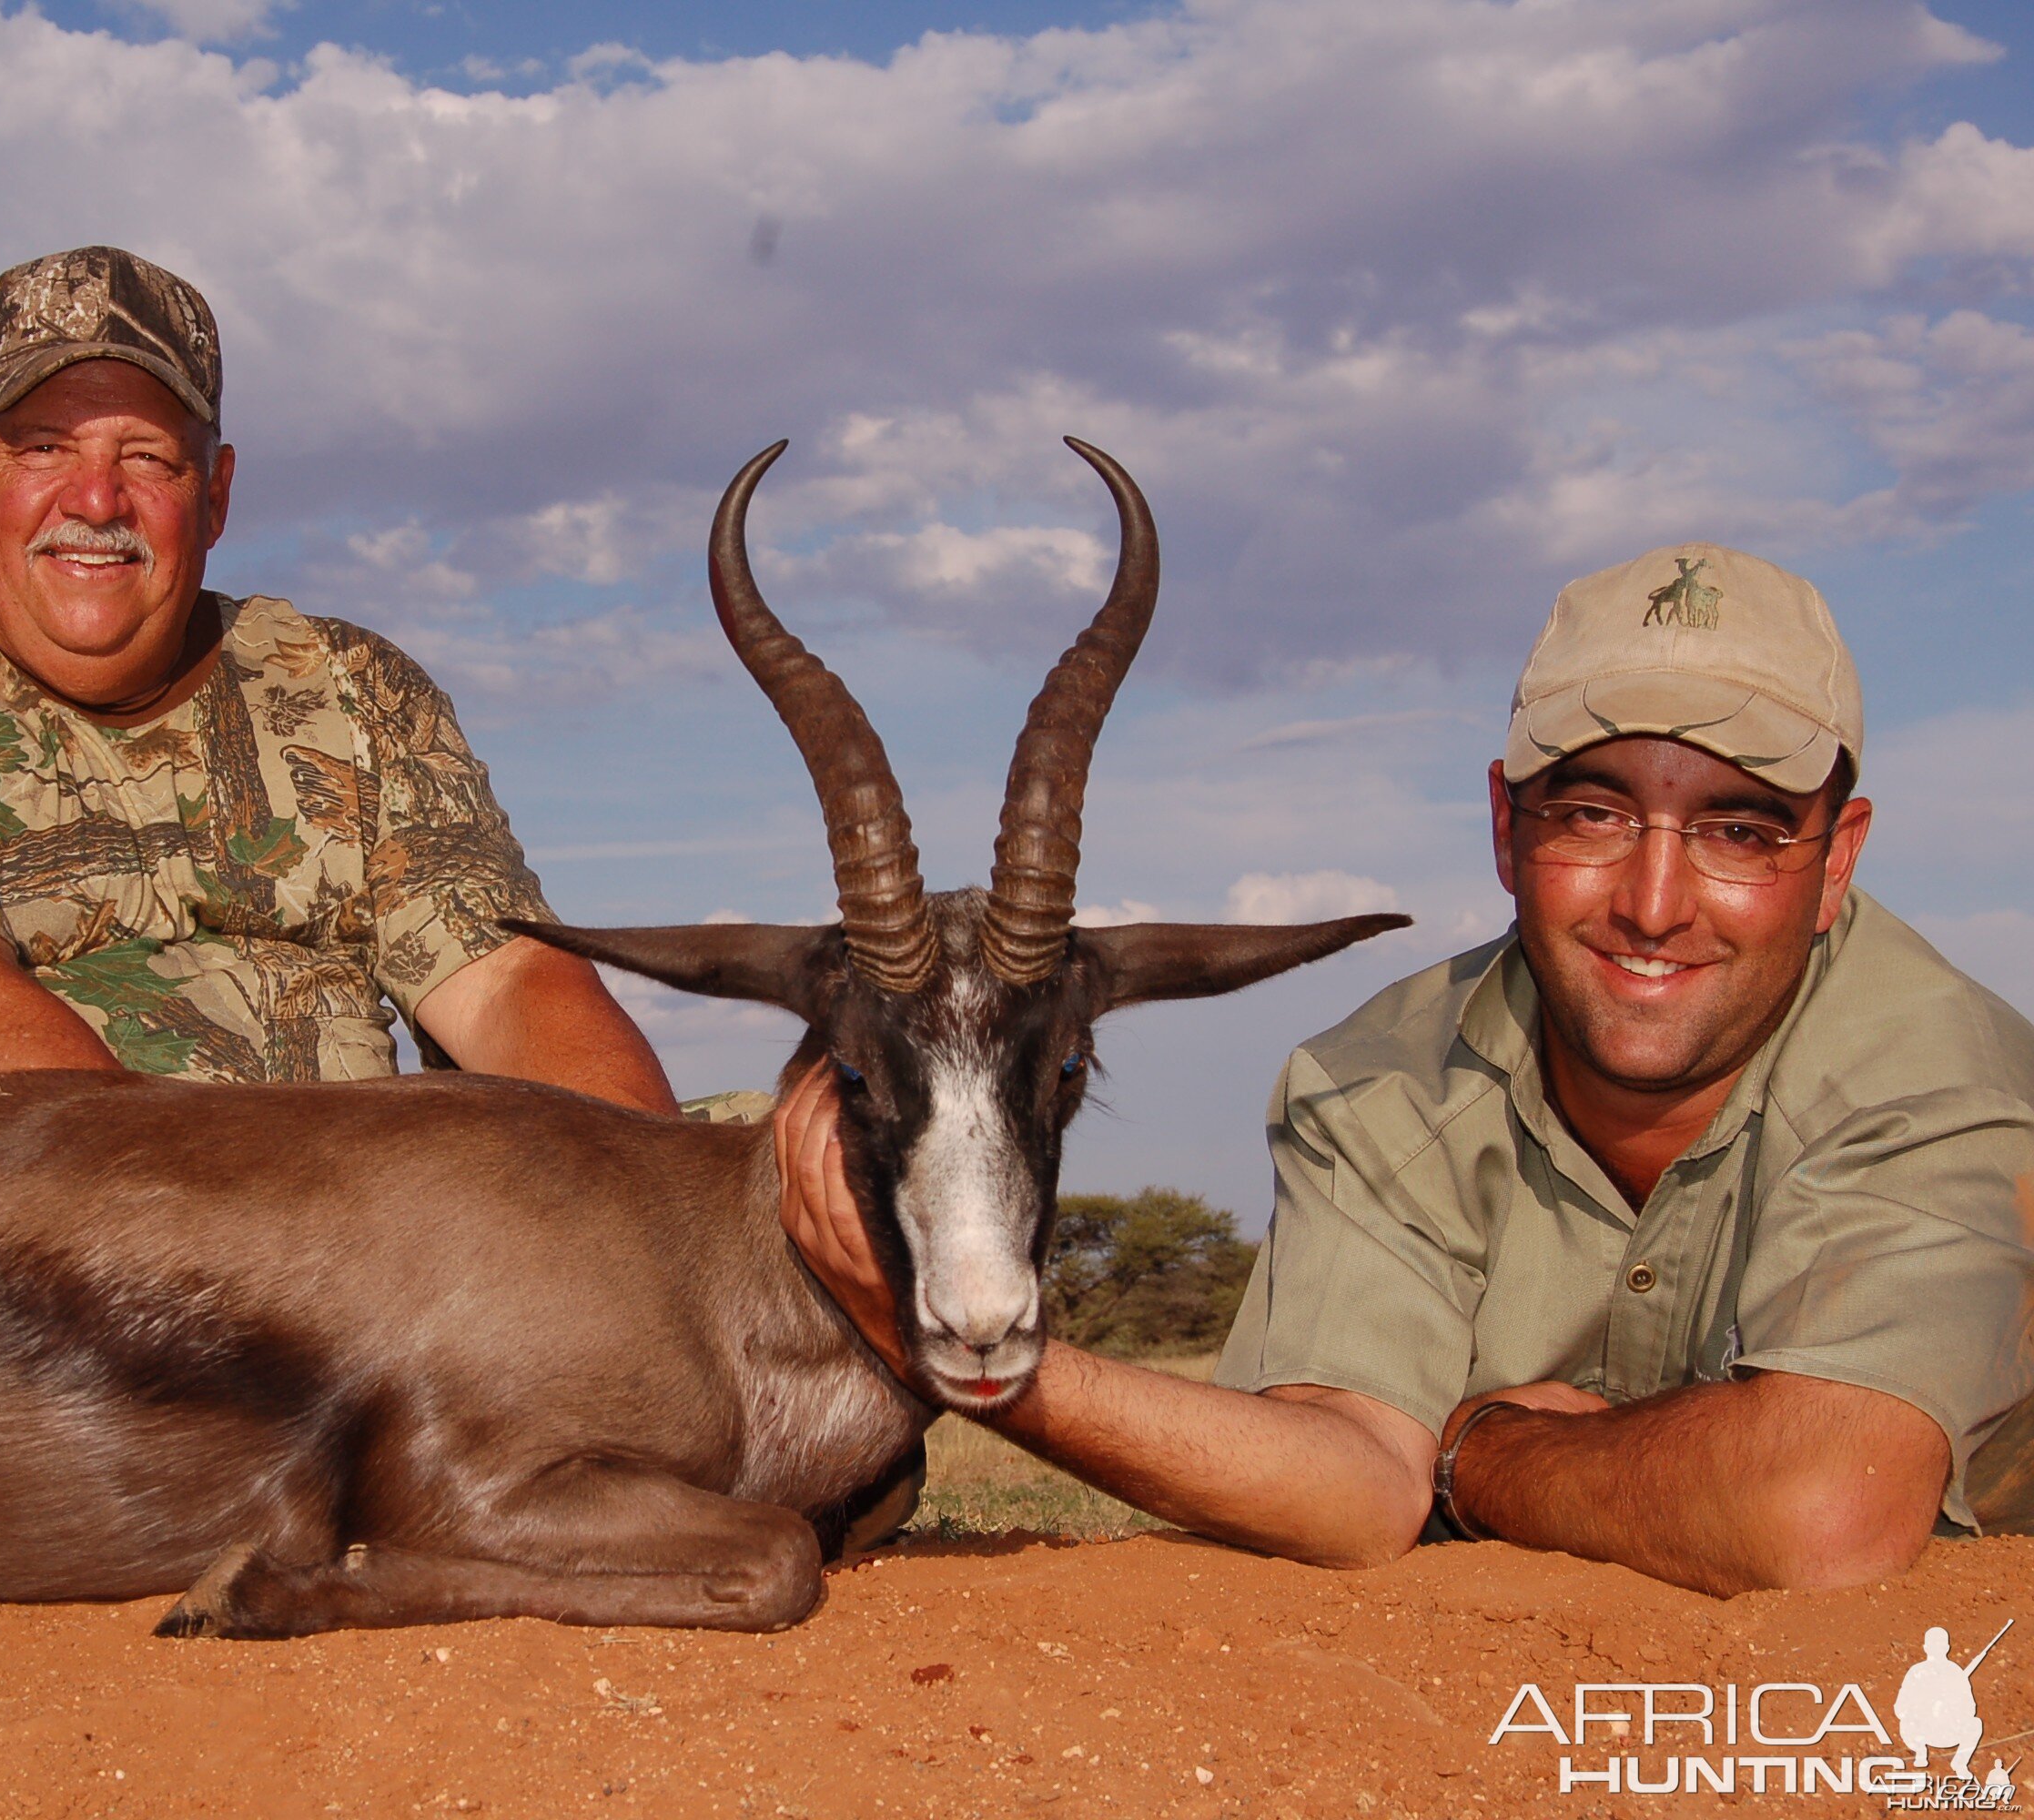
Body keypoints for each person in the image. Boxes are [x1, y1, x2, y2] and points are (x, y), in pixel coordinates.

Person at [778, 542, 2034, 1594]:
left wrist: (1478, 1455)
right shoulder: (1378, 1079)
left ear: (1840, 859)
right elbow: (1349, 1479)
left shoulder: (1938, 1069)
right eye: (1591, 814)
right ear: (1503, 825)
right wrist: (967, 1340)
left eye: (1741, 832)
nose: (1654, 904)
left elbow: (1823, 1513)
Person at [0, 247, 675, 1142]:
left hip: (364, 1254)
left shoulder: (353, 686)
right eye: (43, 447)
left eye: (147, 457)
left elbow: (506, 982)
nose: (94, 499)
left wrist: (639, 1197)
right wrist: (270, 1254)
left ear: (214, 495)